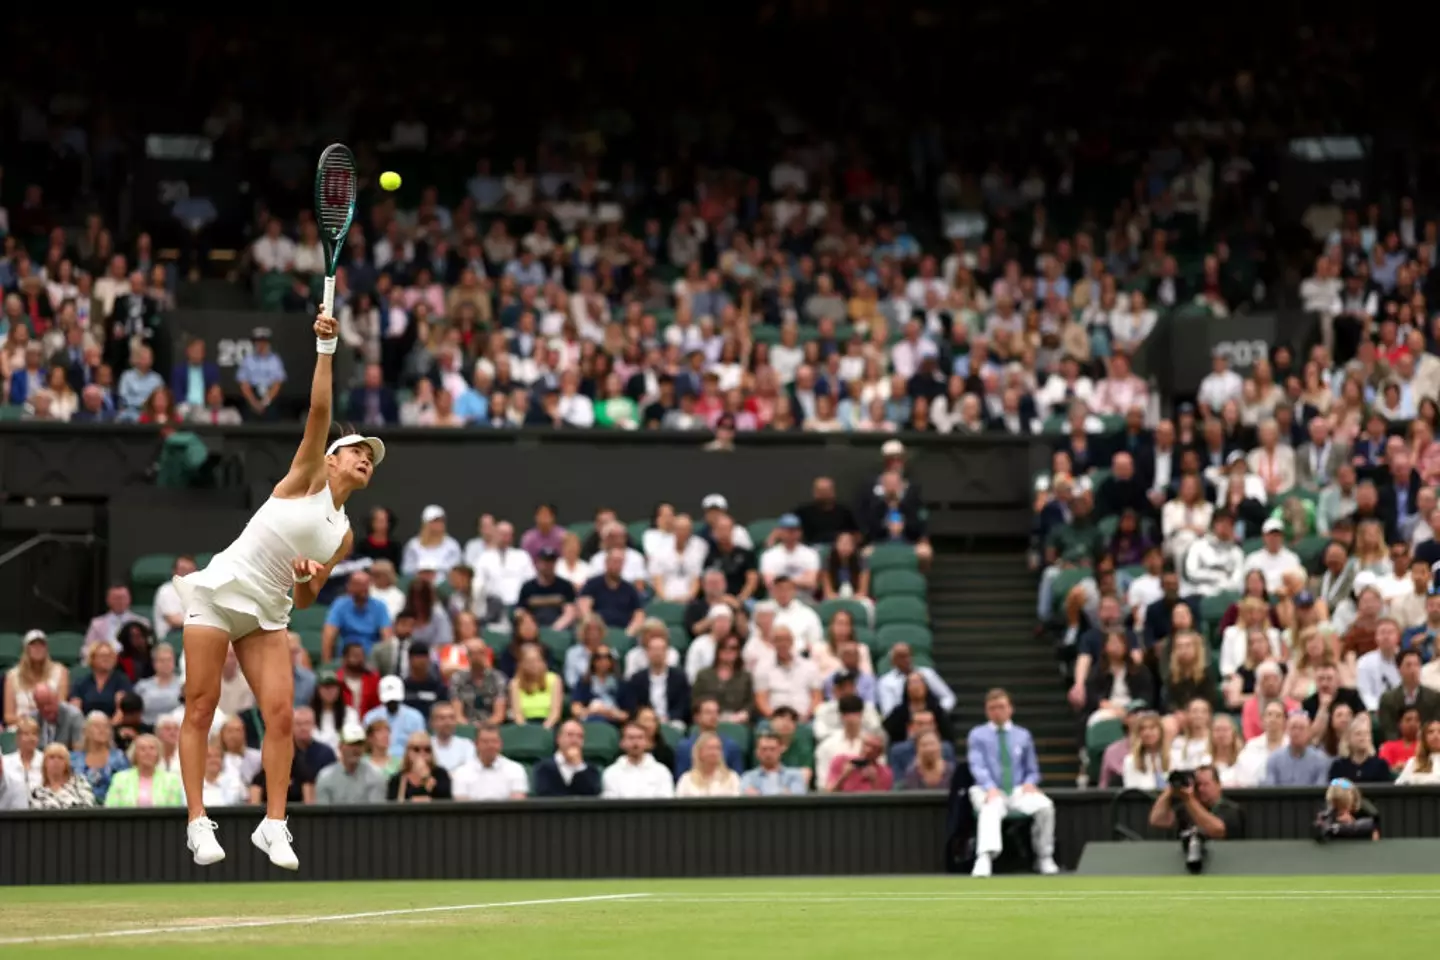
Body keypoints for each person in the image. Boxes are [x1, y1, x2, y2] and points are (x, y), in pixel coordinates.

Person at [171, 308, 384, 870]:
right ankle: (197, 821)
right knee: (202, 706)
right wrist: (326, 349)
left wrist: (306, 579)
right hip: (222, 595)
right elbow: (319, 409)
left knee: (284, 714)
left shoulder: (343, 533)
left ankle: (274, 824)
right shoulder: (307, 475)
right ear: (333, 458)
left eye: (371, 460)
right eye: (358, 451)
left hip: (270, 612)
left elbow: (311, 600)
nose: (365, 460)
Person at [966, 688, 1058, 877]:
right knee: (990, 808)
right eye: (992, 708)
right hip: (986, 788)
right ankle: (984, 858)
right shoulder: (977, 735)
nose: (997, 711)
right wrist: (990, 787)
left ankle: (1044, 856)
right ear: (986, 711)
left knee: (1046, 807)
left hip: (1017, 789)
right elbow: (977, 766)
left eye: (1001, 707)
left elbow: (1032, 769)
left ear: (1010, 709)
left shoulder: (1023, 735)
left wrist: (1030, 782)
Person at [1146, 765, 1245, 873]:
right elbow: (1157, 820)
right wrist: (1171, 789)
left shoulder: (1231, 809)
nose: (1201, 789)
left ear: (1218, 785)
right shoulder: (1186, 809)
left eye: (1206, 784)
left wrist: (1189, 799)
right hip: (1188, 866)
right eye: (1198, 785)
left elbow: (1217, 830)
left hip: (1226, 866)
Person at [313, 723, 387, 804]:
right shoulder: (326, 777)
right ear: (340, 747)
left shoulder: (376, 775)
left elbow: (377, 813)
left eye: (359, 744)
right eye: (351, 744)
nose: (355, 749)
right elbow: (323, 813)